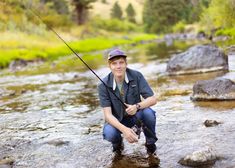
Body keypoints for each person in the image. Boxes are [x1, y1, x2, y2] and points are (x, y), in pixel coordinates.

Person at [98, 49, 158, 159]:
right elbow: (108, 115)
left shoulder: (137, 76)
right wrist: (124, 130)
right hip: (117, 121)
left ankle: (150, 143)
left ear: (126, 64)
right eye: (114, 63)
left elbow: (153, 99)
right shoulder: (103, 85)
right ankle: (117, 145)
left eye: (121, 62)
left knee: (148, 113)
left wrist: (137, 106)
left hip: (136, 116)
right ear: (109, 66)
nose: (118, 66)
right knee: (110, 133)